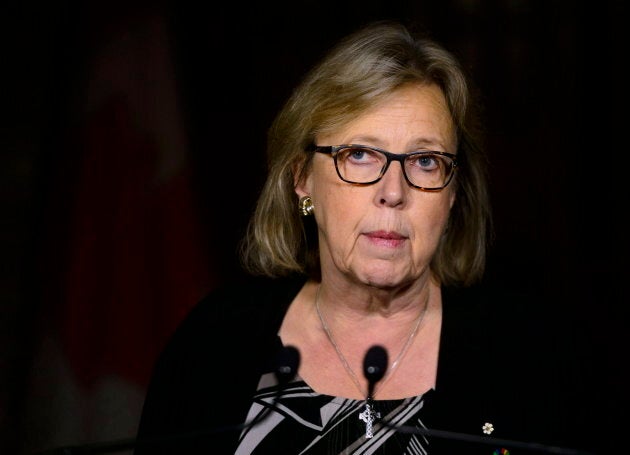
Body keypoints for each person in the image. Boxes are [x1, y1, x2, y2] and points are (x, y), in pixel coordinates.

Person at [134, 20, 595, 454]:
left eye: (425, 161)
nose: (393, 192)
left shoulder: (533, 355)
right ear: (302, 179)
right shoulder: (213, 343)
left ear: (452, 194)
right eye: (359, 155)